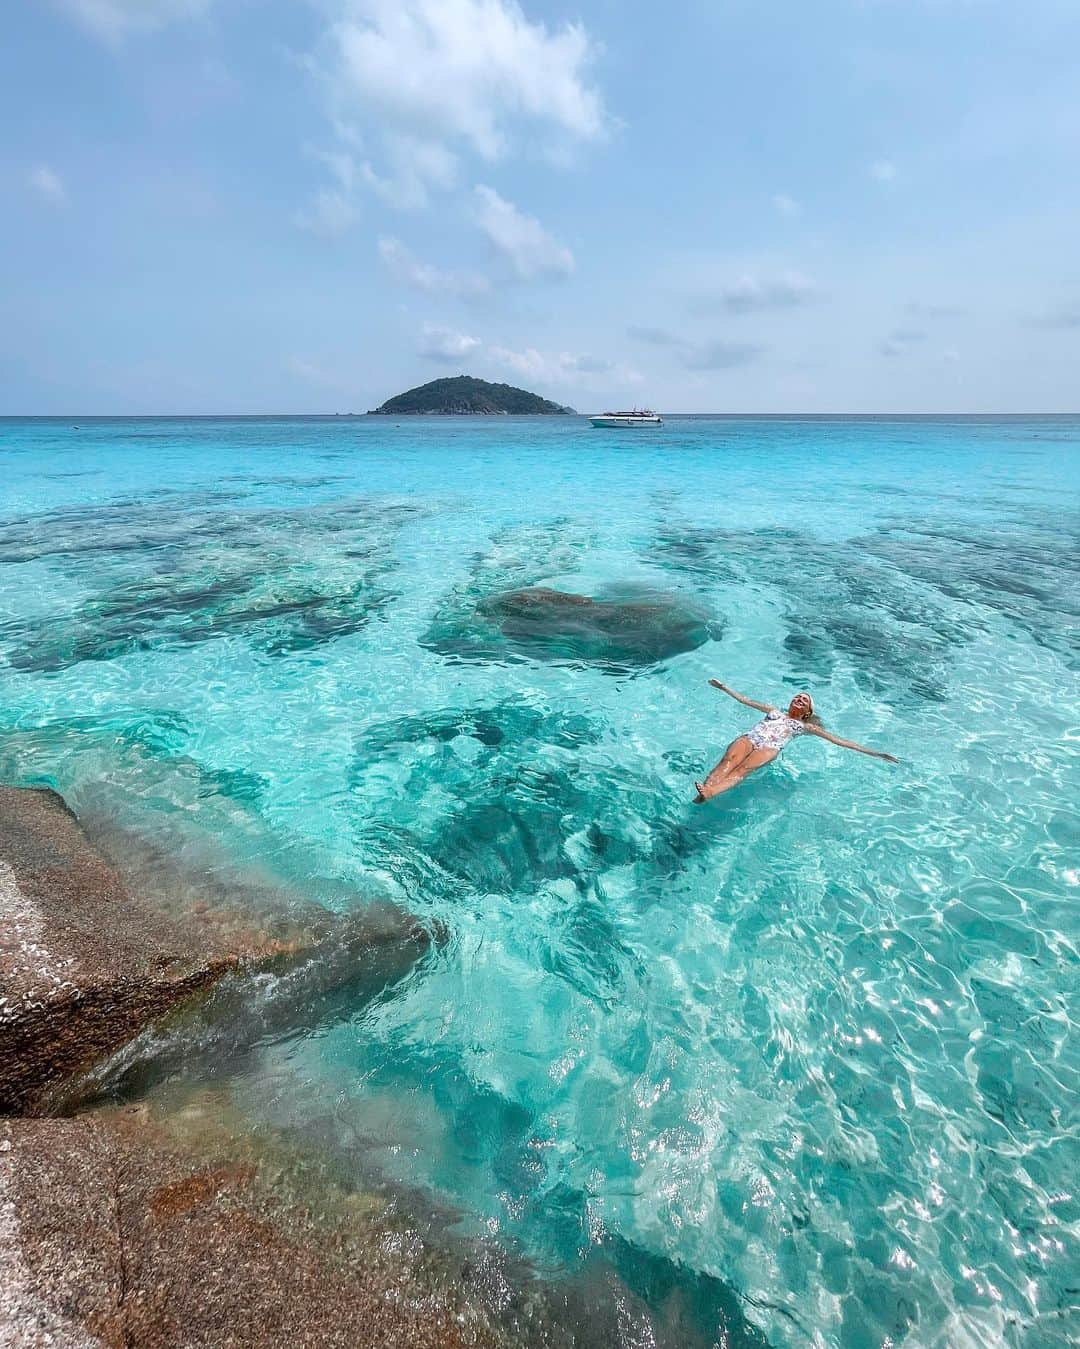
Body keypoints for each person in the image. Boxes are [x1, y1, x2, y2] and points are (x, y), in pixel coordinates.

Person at [693, 680, 898, 802]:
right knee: (728, 760)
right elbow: (745, 700)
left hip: (769, 747)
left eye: (804, 700)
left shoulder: (807, 727)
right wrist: (723, 688)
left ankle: (711, 792)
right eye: (797, 697)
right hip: (751, 738)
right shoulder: (772, 710)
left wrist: (877, 753)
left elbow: (841, 742)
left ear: (807, 712)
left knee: (741, 770)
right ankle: (704, 792)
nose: (798, 699)